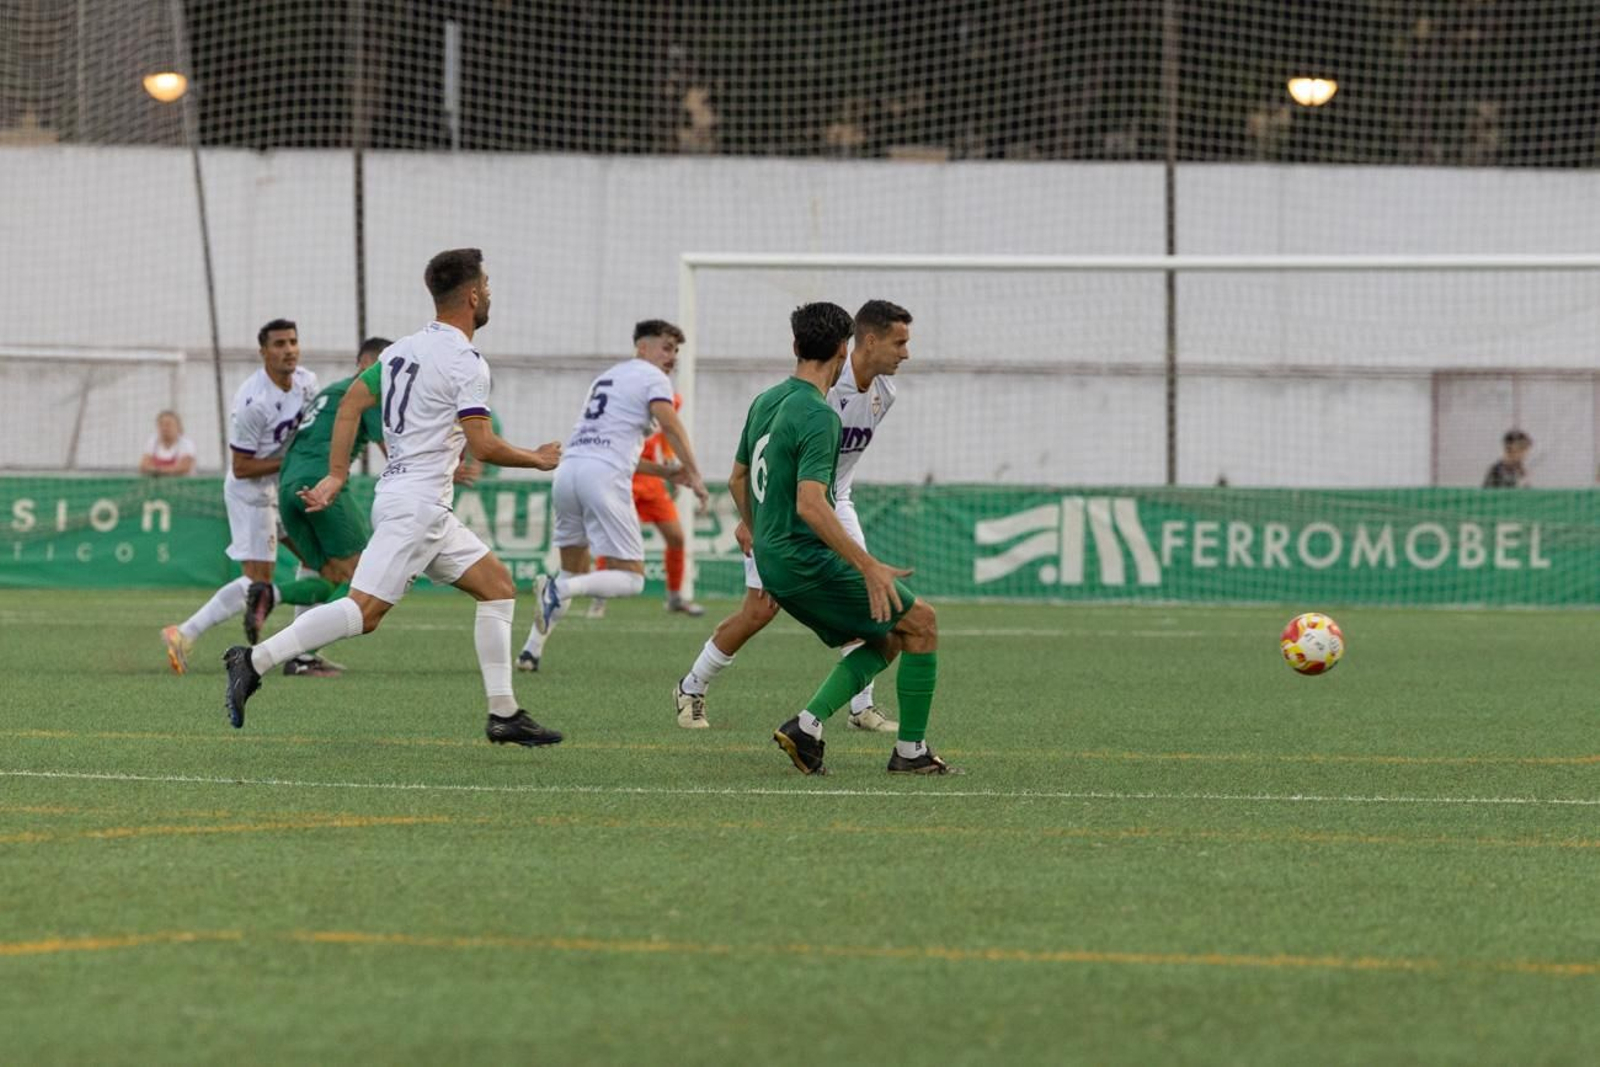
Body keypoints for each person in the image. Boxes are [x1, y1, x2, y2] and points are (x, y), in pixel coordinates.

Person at [220, 247, 565, 747]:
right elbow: (484, 445)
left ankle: (504, 713)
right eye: (487, 286)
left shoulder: (402, 349)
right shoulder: (466, 361)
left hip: (412, 501)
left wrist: (338, 473)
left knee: (497, 587)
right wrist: (537, 458)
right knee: (363, 613)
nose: (490, 293)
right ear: (472, 296)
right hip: (417, 507)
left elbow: (353, 400)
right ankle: (253, 660)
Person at [732, 301, 954, 776]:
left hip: (776, 554)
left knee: (888, 636)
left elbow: (737, 479)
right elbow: (812, 504)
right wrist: (868, 565)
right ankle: (910, 752)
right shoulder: (819, 412)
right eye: (901, 343)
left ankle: (806, 727)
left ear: (796, 344)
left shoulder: (766, 399)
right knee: (922, 622)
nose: (906, 353)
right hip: (803, 556)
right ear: (844, 348)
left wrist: (757, 529)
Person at [672, 299, 911, 731]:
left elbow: (838, 466)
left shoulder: (885, 394)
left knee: (867, 598)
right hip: (787, 504)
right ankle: (692, 686)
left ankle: (861, 706)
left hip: (835, 502)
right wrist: (755, 519)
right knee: (759, 610)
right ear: (866, 342)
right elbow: (766, 456)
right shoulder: (820, 389)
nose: (906, 353)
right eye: (899, 343)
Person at [519, 320, 709, 671]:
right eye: (666, 348)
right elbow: (670, 424)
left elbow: (615, 447)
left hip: (568, 473)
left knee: (571, 570)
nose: (672, 357)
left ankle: (531, 651)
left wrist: (667, 472)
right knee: (632, 579)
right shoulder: (653, 378)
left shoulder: (607, 378)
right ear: (642, 347)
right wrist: (695, 474)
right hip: (602, 477)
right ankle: (557, 592)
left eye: (675, 351)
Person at [160, 319, 318, 673]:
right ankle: (183, 633)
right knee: (258, 581)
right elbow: (242, 466)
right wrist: (292, 463)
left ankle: (302, 654)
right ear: (263, 352)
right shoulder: (253, 402)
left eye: (293, 342)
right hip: (252, 494)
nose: (289, 350)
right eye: (279, 344)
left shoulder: (308, 382)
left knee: (314, 557)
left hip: (282, 488)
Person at [242, 336, 392, 677]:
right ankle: (295, 650)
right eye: (387, 364)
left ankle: (274, 599)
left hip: (288, 485)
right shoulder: (369, 390)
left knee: (328, 575)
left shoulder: (331, 391)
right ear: (365, 364)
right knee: (360, 576)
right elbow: (393, 450)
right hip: (321, 484)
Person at [579, 392, 704, 623]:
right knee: (610, 539)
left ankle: (675, 597)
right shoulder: (627, 398)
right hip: (624, 478)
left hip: (652, 480)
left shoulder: (670, 399)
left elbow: (667, 430)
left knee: (676, 537)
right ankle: (599, 598)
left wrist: (669, 463)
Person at [139, 411, 196, 476]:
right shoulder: (152, 441)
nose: (164, 428)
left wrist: (157, 471)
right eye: (161, 424)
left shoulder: (186, 443)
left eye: (168, 424)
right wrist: (167, 470)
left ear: (178, 427)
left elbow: (184, 468)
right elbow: (144, 466)